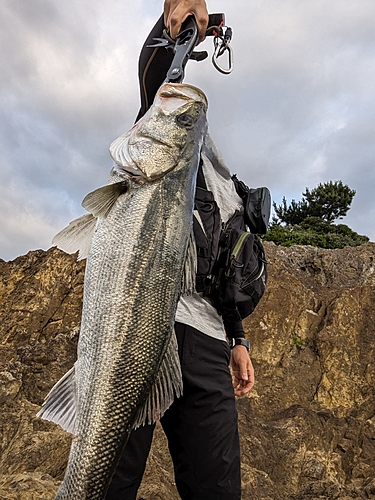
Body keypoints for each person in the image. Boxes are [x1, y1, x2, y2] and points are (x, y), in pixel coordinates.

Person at [105, 2, 254, 499]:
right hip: (140, 329)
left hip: (209, 344)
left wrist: (238, 338)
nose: (185, 109)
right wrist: (181, 27)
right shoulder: (158, 137)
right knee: (107, 480)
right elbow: (157, 69)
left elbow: (224, 262)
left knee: (217, 488)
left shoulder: (221, 173)